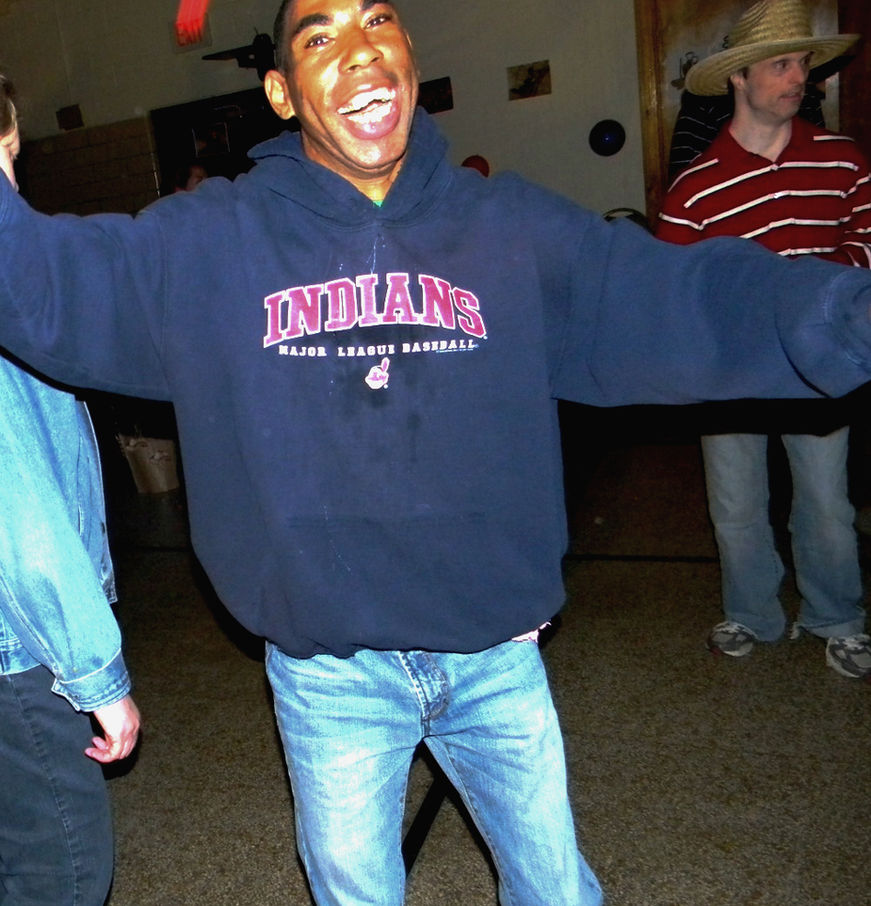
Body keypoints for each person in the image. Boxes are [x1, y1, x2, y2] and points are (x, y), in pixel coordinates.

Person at [2, 0, 871, 902]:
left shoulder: (511, 230)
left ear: (409, 55)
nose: (358, 51)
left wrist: (849, 316)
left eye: (377, 20)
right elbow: (47, 285)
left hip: (493, 653)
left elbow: (683, 294)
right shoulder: (208, 245)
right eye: (318, 36)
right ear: (281, 93)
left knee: (557, 891)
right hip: (329, 676)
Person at [657, 0, 871, 679]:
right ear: (738, 79)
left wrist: (809, 290)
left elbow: (866, 243)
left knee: (826, 505)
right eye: (780, 64)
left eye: (803, 62)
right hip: (727, 376)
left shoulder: (841, 159)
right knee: (736, 507)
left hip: (818, 370)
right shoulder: (694, 186)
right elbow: (672, 290)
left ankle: (835, 615)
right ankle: (750, 612)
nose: (797, 77)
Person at [0, 75, 140, 905]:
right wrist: (98, 678)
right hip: (17, 659)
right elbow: (22, 524)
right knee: (64, 871)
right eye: (7, 159)